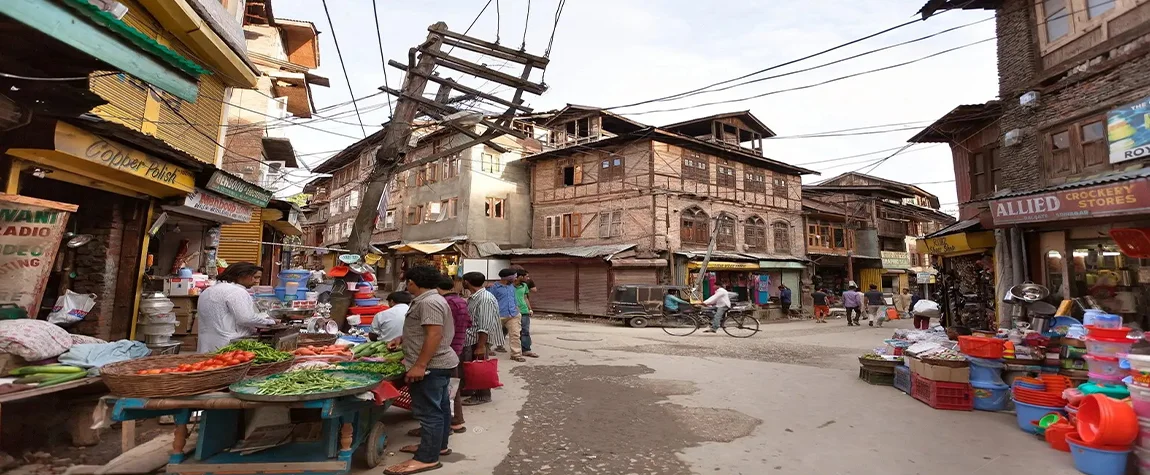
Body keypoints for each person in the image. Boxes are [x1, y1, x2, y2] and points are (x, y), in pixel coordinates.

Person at [386, 266, 459, 475]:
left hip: (432, 367)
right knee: (441, 408)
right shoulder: (429, 300)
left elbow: (434, 335)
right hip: (438, 364)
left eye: (408, 281)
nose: (407, 285)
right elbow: (425, 330)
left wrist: (420, 365)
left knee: (430, 413)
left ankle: (427, 458)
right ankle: (438, 446)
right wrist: (402, 339)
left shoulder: (429, 302)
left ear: (413, 283)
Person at [196, 262, 276, 353]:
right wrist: (270, 322)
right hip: (227, 346)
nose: (257, 281)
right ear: (240, 275)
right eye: (255, 277)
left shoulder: (208, 290)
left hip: (205, 345)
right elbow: (246, 319)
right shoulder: (237, 291)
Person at [460, 271, 503, 406]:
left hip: (477, 340)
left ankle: (482, 395)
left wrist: (481, 346)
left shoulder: (484, 298)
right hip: (472, 338)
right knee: (471, 367)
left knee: (479, 368)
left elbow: (484, 325)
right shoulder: (475, 297)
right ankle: (471, 389)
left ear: (467, 282)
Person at [438, 275, 470, 434]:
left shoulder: (447, 303)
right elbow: (469, 323)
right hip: (457, 346)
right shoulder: (460, 302)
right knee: (452, 387)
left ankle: (449, 423)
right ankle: (456, 421)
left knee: (445, 389)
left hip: (447, 349)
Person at [489, 269, 524, 362]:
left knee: (515, 334)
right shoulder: (494, 288)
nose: (516, 278)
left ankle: (516, 354)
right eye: (514, 277)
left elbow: (514, 298)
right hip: (498, 315)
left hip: (513, 315)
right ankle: (486, 349)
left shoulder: (511, 286)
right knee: (490, 334)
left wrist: (517, 308)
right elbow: (490, 300)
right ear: (508, 278)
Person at [514, 271, 539, 358]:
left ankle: (526, 350)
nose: (528, 278)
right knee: (506, 330)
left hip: (524, 311)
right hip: (512, 312)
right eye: (526, 276)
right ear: (520, 277)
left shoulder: (524, 286)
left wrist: (530, 309)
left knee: (525, 331)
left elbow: (525, 298)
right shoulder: (509, 286)